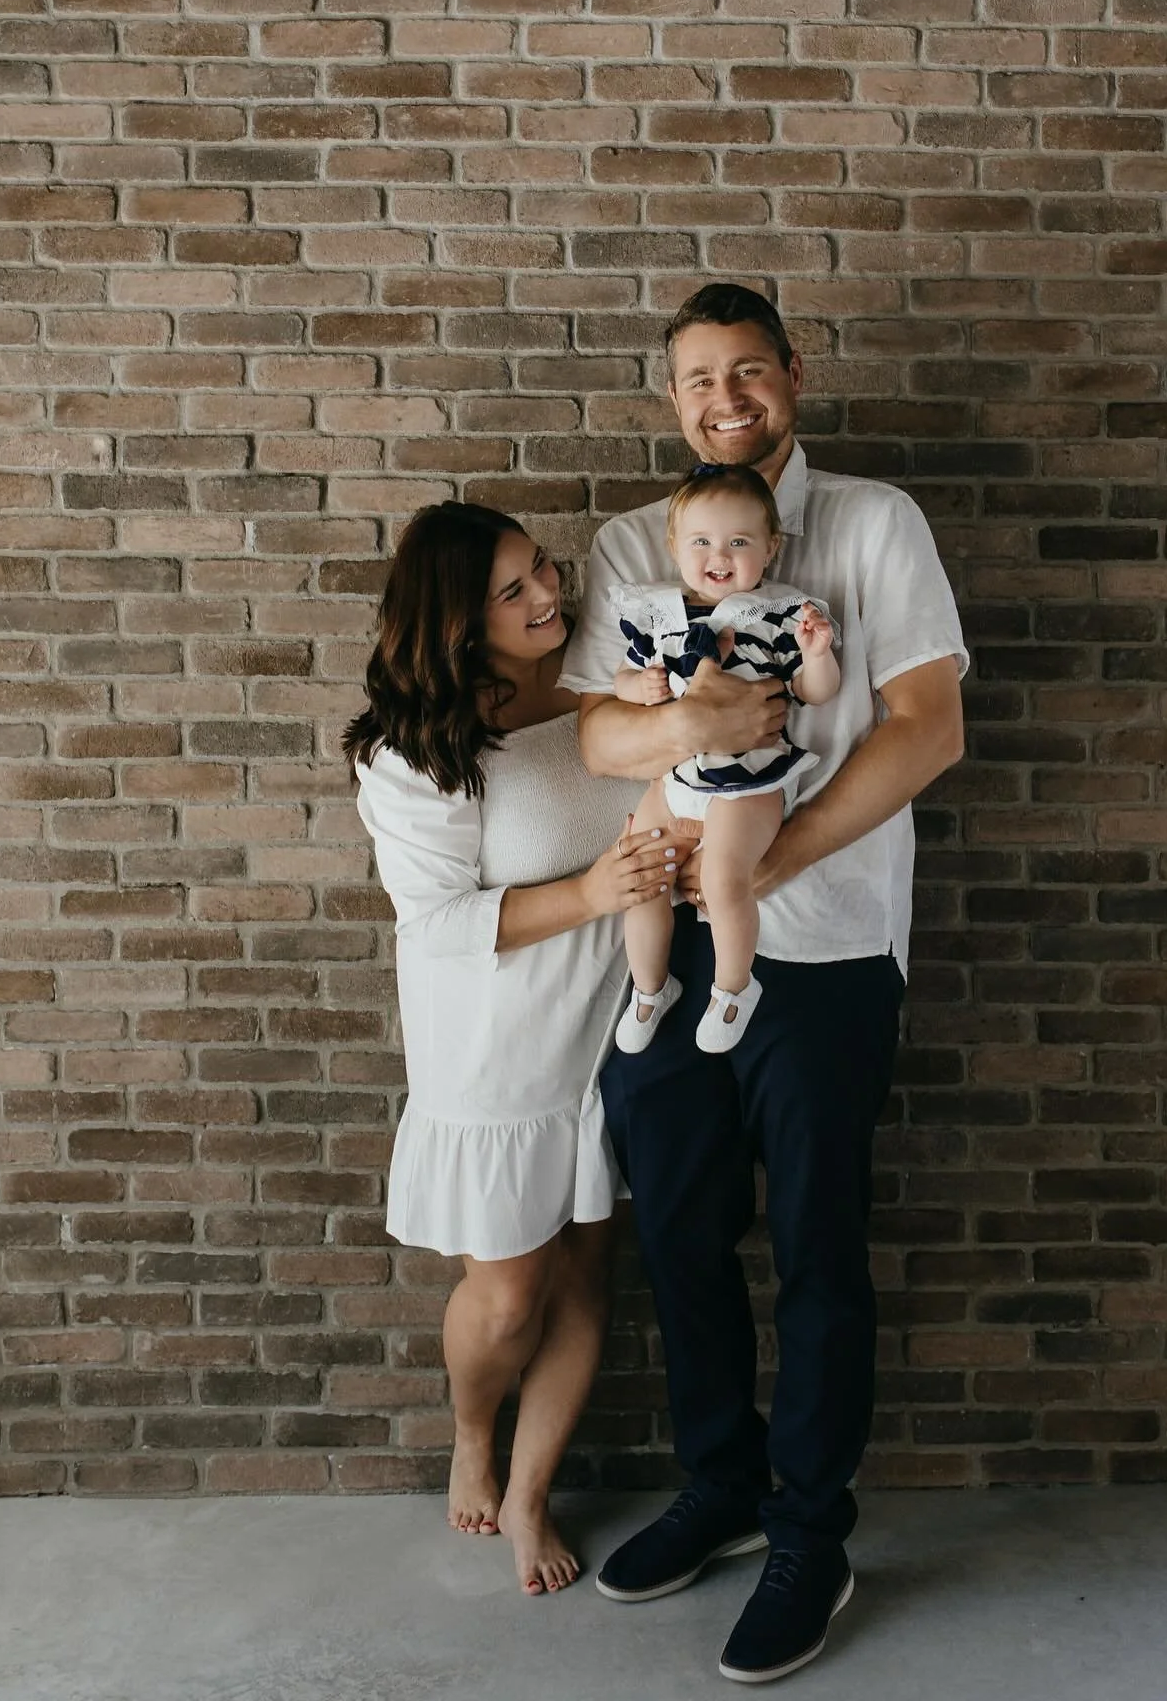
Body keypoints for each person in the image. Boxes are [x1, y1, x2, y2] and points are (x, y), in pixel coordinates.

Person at [559, 284, 967, 1683]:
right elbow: (599, 742)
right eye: (695, 380)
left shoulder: (872, 524)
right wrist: (688, 724)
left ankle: (811, 1534)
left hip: (834, 941)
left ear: (793, 375)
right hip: (671, 945)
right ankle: (722, 1490)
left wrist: (768, 856)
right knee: (676, 1237)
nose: (725, 399)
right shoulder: (632, 543)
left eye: (749, 372)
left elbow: (928, 728)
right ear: (668, 398)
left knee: (816, 1250)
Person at [343, 501, 686, 1598]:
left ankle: (533, 1490)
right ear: (456, 619)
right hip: (496, 1042)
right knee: (508, 1292)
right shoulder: (415, 749)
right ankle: (472, 1428)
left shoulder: (598, 669)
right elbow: (435, 922)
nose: (548, 596)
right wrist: (589, 890)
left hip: (609, 1017)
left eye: (543, 568)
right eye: (513, 591)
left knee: (589, 1267)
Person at [610, 462, 840, 1056]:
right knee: (640, 873)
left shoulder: (778, 616)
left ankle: (734, 986)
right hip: (680, 774)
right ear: (674, 547)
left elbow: (815, 693)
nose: (721, 555)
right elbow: (624, 677)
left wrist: (816, 655)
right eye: (703, 541)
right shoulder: (660, 616)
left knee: (723, 876)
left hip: (750, 777)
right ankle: (649, 987)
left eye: (739, 542)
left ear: (770, 547)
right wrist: (640, 690)